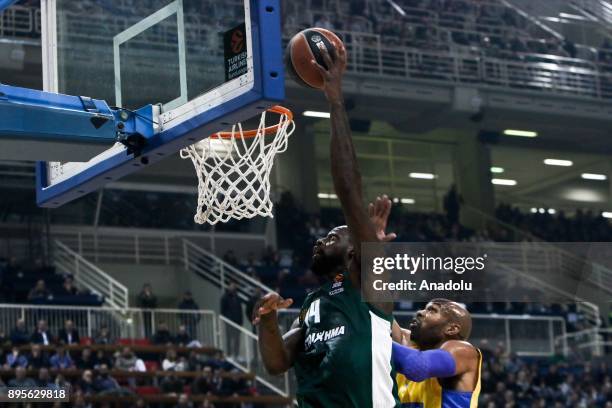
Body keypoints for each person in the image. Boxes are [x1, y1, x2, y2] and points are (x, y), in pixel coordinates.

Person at [252, 43, 401, 406]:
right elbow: (276, 363)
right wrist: (268, 322)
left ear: (355, 250)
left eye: (333, 236)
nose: (320, 241)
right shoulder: (312, 305)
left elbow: (349, 188)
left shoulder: (370, 287)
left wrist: (335, 102)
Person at [394, 299, 482, 407]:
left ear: (451, 329)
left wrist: (376, 342)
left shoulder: (463, 352)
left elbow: (416, 366)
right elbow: (379, 318)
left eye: (432, 310)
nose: (420, 312)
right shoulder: (409, 345)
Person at [220, 283, 243, 357]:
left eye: (234, 287)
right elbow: (222, 310)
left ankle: (236, 354)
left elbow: (240, 310)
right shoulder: (225, 297)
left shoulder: (237, 297)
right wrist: (227, 319)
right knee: (229, 339)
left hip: (237, 322)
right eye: (231, 287)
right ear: (229, 288)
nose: (233, 288)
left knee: (237, 340)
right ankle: (229, 354)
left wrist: (241, 321)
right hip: (229, 322)